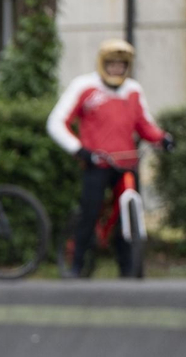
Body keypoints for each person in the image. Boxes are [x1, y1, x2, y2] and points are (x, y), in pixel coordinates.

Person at [47, 39, 173, 278]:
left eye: (121, 64)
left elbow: (145, 125)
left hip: (127, 164)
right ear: (103, 64)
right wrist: (79, 149)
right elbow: (56, 122)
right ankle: (77, 265)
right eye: (112, 63)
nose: (117, 69)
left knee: (129, 210)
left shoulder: (134, 90)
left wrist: (163, 139)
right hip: (97, 163)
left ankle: (129, 268)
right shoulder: (84, 86)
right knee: (90, 211)